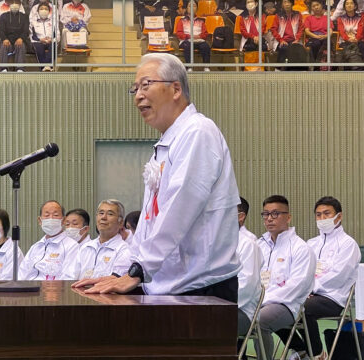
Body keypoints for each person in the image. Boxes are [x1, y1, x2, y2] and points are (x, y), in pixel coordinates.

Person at [73, 53, 241, 304]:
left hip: (200, 288)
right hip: (168, 285)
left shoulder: (197, 132)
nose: (138, 95)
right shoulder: (167, 142)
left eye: (145, 85)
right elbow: (149, 223)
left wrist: (139, 271)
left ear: (175, 89)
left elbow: (179, 210)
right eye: (135, 88)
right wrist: (121, 271)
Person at [280, 196, 361, 359]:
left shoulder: (348, 244)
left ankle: (316, 354)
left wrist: (309, 289)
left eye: (327, 214)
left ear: (339, 216)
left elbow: (338, 276)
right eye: (318, 215)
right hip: (307, 295)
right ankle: (301, 350)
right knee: (276, 307)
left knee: (302, 308)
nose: (322, 218)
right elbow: (298, 270)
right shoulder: (311, 243)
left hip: (333, 298)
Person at [256, 195, 316, 360]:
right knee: (228, 316)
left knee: (260, 321)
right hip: (258, 301)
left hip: (287, 304)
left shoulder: (300, 248)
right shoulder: (259, 245)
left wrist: (264, 300)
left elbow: (297, 286)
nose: (269, 218)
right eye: (266, 214)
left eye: (275, 214)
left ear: (288, 217)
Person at [63, 200, 133, 280]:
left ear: (120, 223)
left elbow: (116, 281)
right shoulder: (86, 247)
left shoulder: (124, 250)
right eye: (101, 213)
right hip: (79, 291)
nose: (103, 217)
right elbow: (70, 276)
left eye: (110, 214)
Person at [18, 200, 80, 280]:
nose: (51, 218)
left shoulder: (71, 246)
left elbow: (69, 278)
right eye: (47, 215)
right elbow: (21, 274)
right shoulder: (36, 247)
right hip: (29, 290)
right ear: (40, 221)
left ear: (63, 220)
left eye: (55, 215)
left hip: (53, 290)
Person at [236, 197, 264, 338]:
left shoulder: (248, 244)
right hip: (219, 306)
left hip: (242, 310)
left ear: (240, 217)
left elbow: (246, 286)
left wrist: (218, 305)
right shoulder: (216, 242)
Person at [175, 1, 210, 71]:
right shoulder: (181, 20)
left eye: (194, 6)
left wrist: (199, 36)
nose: (191, 8)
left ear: (197, 8)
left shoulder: (201, 21)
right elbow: (179, 33)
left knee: (205, 46)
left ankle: (206, 67)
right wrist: (189, 36)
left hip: (199, 40)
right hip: (186, 41)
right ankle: (189, 67)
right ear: (187, 8)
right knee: (188, 45)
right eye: (189, 6)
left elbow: (205, 34)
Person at [271, 0, 305, 65]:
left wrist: (297, 39)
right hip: (282, 41)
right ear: (282, 4)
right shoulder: (278, 15)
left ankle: (296, 70)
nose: (287, 4)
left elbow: (301, 28)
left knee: (297, 49)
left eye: (289, 2)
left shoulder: (297, 14)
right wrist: (280, 40)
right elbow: (273, 29)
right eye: (285, 2)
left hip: (295, 41)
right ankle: (279, 69)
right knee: (284, 48)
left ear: (292, 4)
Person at [0, 0, 29, 72]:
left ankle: (20, 69)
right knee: (4, 46)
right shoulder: (3, 16)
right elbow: (1, 30)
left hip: (19, 39)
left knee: (21, 45)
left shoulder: (24, 17)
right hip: (7, 39)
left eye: (17, 3)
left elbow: (26, 30)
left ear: (20, 5)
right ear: (9, 4)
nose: (14, 5)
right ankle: (3, 69)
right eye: (12, 3)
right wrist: (4, 39)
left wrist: (21, 38)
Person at [30, 2, 59, 71]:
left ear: (49, 11)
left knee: (54, 45)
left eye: (46, 9)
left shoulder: (53, 22)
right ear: (38, 11)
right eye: (41, 9)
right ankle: (43, 67)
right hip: (38, 41)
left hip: (50, 41)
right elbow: (31, 36)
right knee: (38, 46)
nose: (44, 10)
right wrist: (40, 40)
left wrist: (52, 39)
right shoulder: (33, 22)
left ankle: (48, 66)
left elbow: (57, 35)